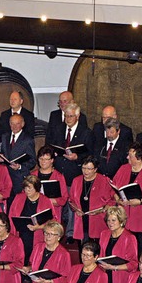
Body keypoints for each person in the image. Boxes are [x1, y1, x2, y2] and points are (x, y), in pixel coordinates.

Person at [48, 103, 94, 243]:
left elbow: (90, 153)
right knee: (59, 204)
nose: (68, 119)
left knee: (73, 204)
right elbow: (52, 144)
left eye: (71, 116)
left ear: (78, 116)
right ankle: (58, 231)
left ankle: (71, 233)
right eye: (66, 116)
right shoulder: (58, 129)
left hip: (75, 173)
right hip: (59, 172)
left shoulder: (86, 132)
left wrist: (77, 157)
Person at [112, 141, 142, 253]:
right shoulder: (123, 168)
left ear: (139, 158)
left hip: (141, 217)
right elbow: (113, 186)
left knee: (141, 248)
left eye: (130, 156)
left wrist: (139, 201)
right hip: (124, 214)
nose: (127, 157)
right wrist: (117, 198)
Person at [8, 175, 57, 270]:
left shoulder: (45, 200)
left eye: (30, 188)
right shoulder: (19, 198)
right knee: (20, 258)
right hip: (20, 234)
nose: (27, 190)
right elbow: (11, 216)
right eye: (25, 188)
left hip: (38, 235)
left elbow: (54, 222)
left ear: (37, 188)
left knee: (34, 259)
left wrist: (39, 227)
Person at [69, 156, 114, 249]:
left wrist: (102, 210)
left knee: (97, 249)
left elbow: (112, 200)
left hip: (97, 220)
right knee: (83, 249)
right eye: (83, 168)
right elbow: (71, 200)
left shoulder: (104, 181)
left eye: (89, 169)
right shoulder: (76, 180)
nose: (86, 171)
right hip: (81, 220)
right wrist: (75, 209)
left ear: (95, 169)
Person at [0, 113, 36, 205]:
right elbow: (1, 152)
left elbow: (32, 161)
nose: (14, 126)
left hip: (19, 178)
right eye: (12, 123)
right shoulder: (4, 137)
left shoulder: (28, 140)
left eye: (17, 123)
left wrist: (20, 167)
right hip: (5, 176)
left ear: (22, 124)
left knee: (18, 205)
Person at [31, 145, 69, 223]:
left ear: (52, 160)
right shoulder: (33, 175)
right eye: (41, 159)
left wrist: (47, 200)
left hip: (53, 212)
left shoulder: (59, 176)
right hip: (35, 211)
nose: (43, 161)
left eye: (46, 159)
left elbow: (64, 199)